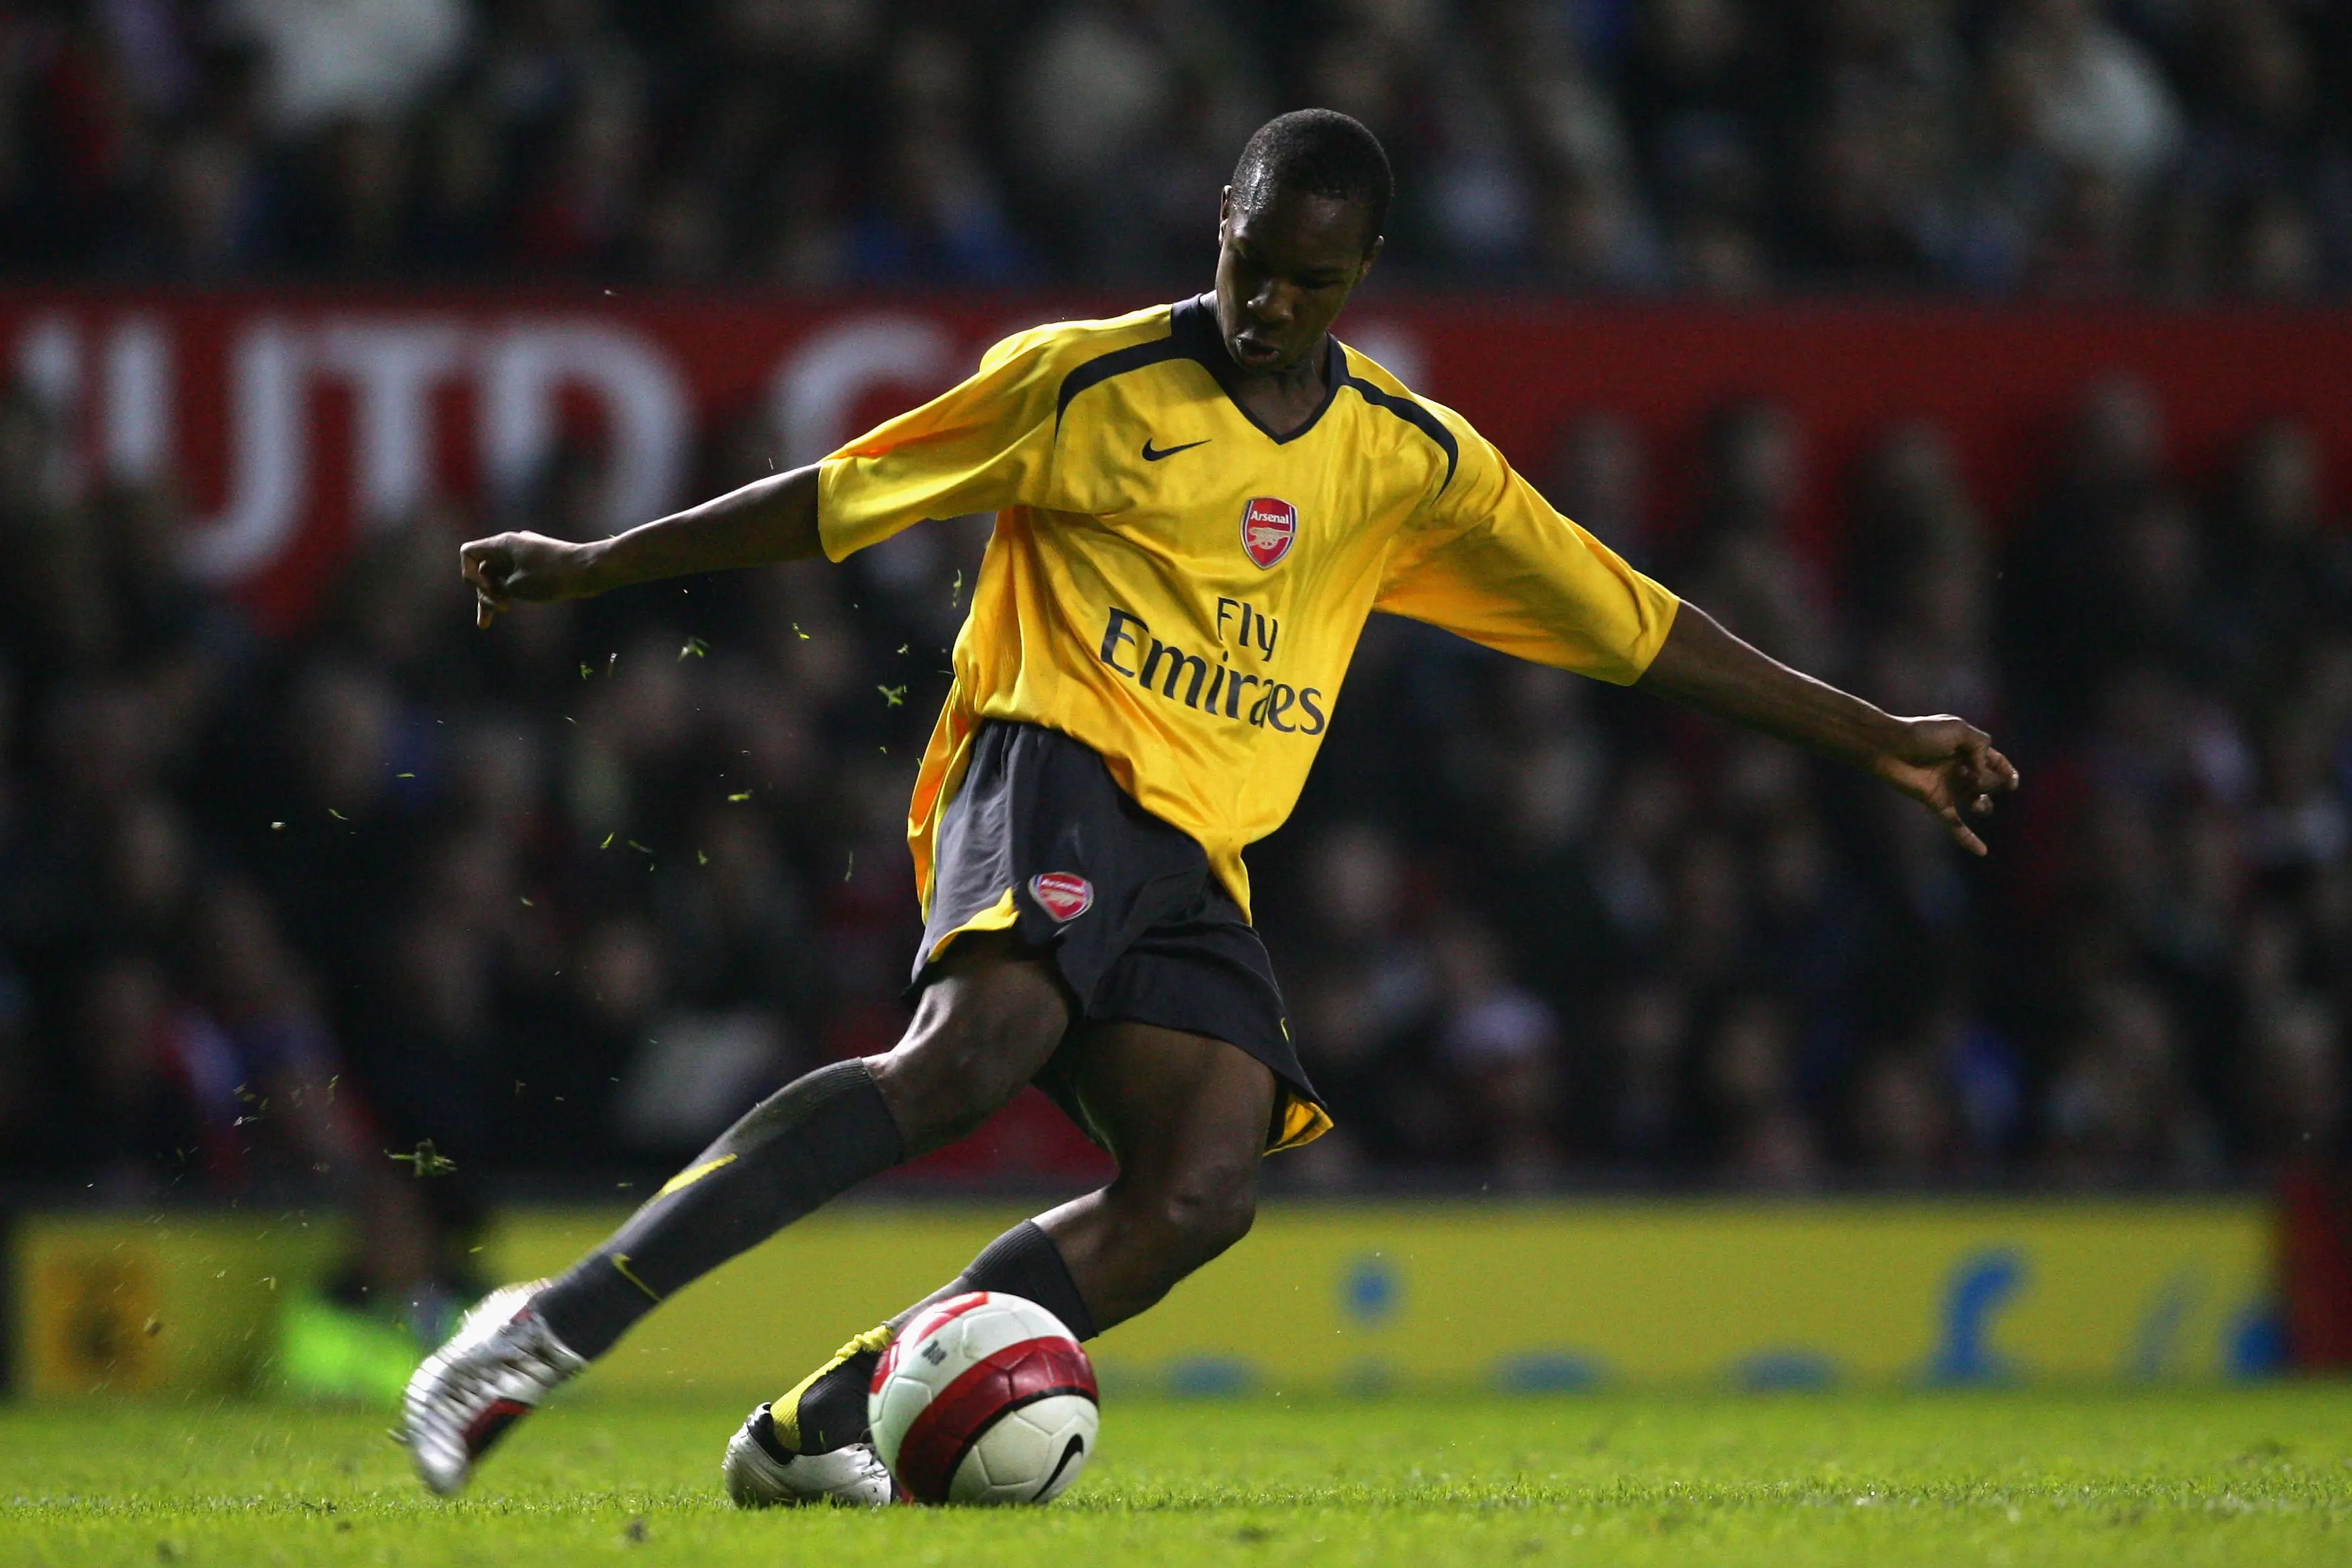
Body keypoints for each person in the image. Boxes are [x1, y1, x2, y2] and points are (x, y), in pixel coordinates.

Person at [404, 109, 2018, 1500]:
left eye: (1312, 279)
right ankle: (544, 1329)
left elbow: (1631, 620)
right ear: (1222, 223)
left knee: (1199, 1189)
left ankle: (820, 1423)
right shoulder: (1086, 380)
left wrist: (1875, 734)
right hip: (1046, 758)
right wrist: (603, 563)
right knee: (974, 1053)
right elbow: (838, 497)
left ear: (1363, 270)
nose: (1270, 303)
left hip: (1195, 849)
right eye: (1254, 262)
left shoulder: (1406, 459)